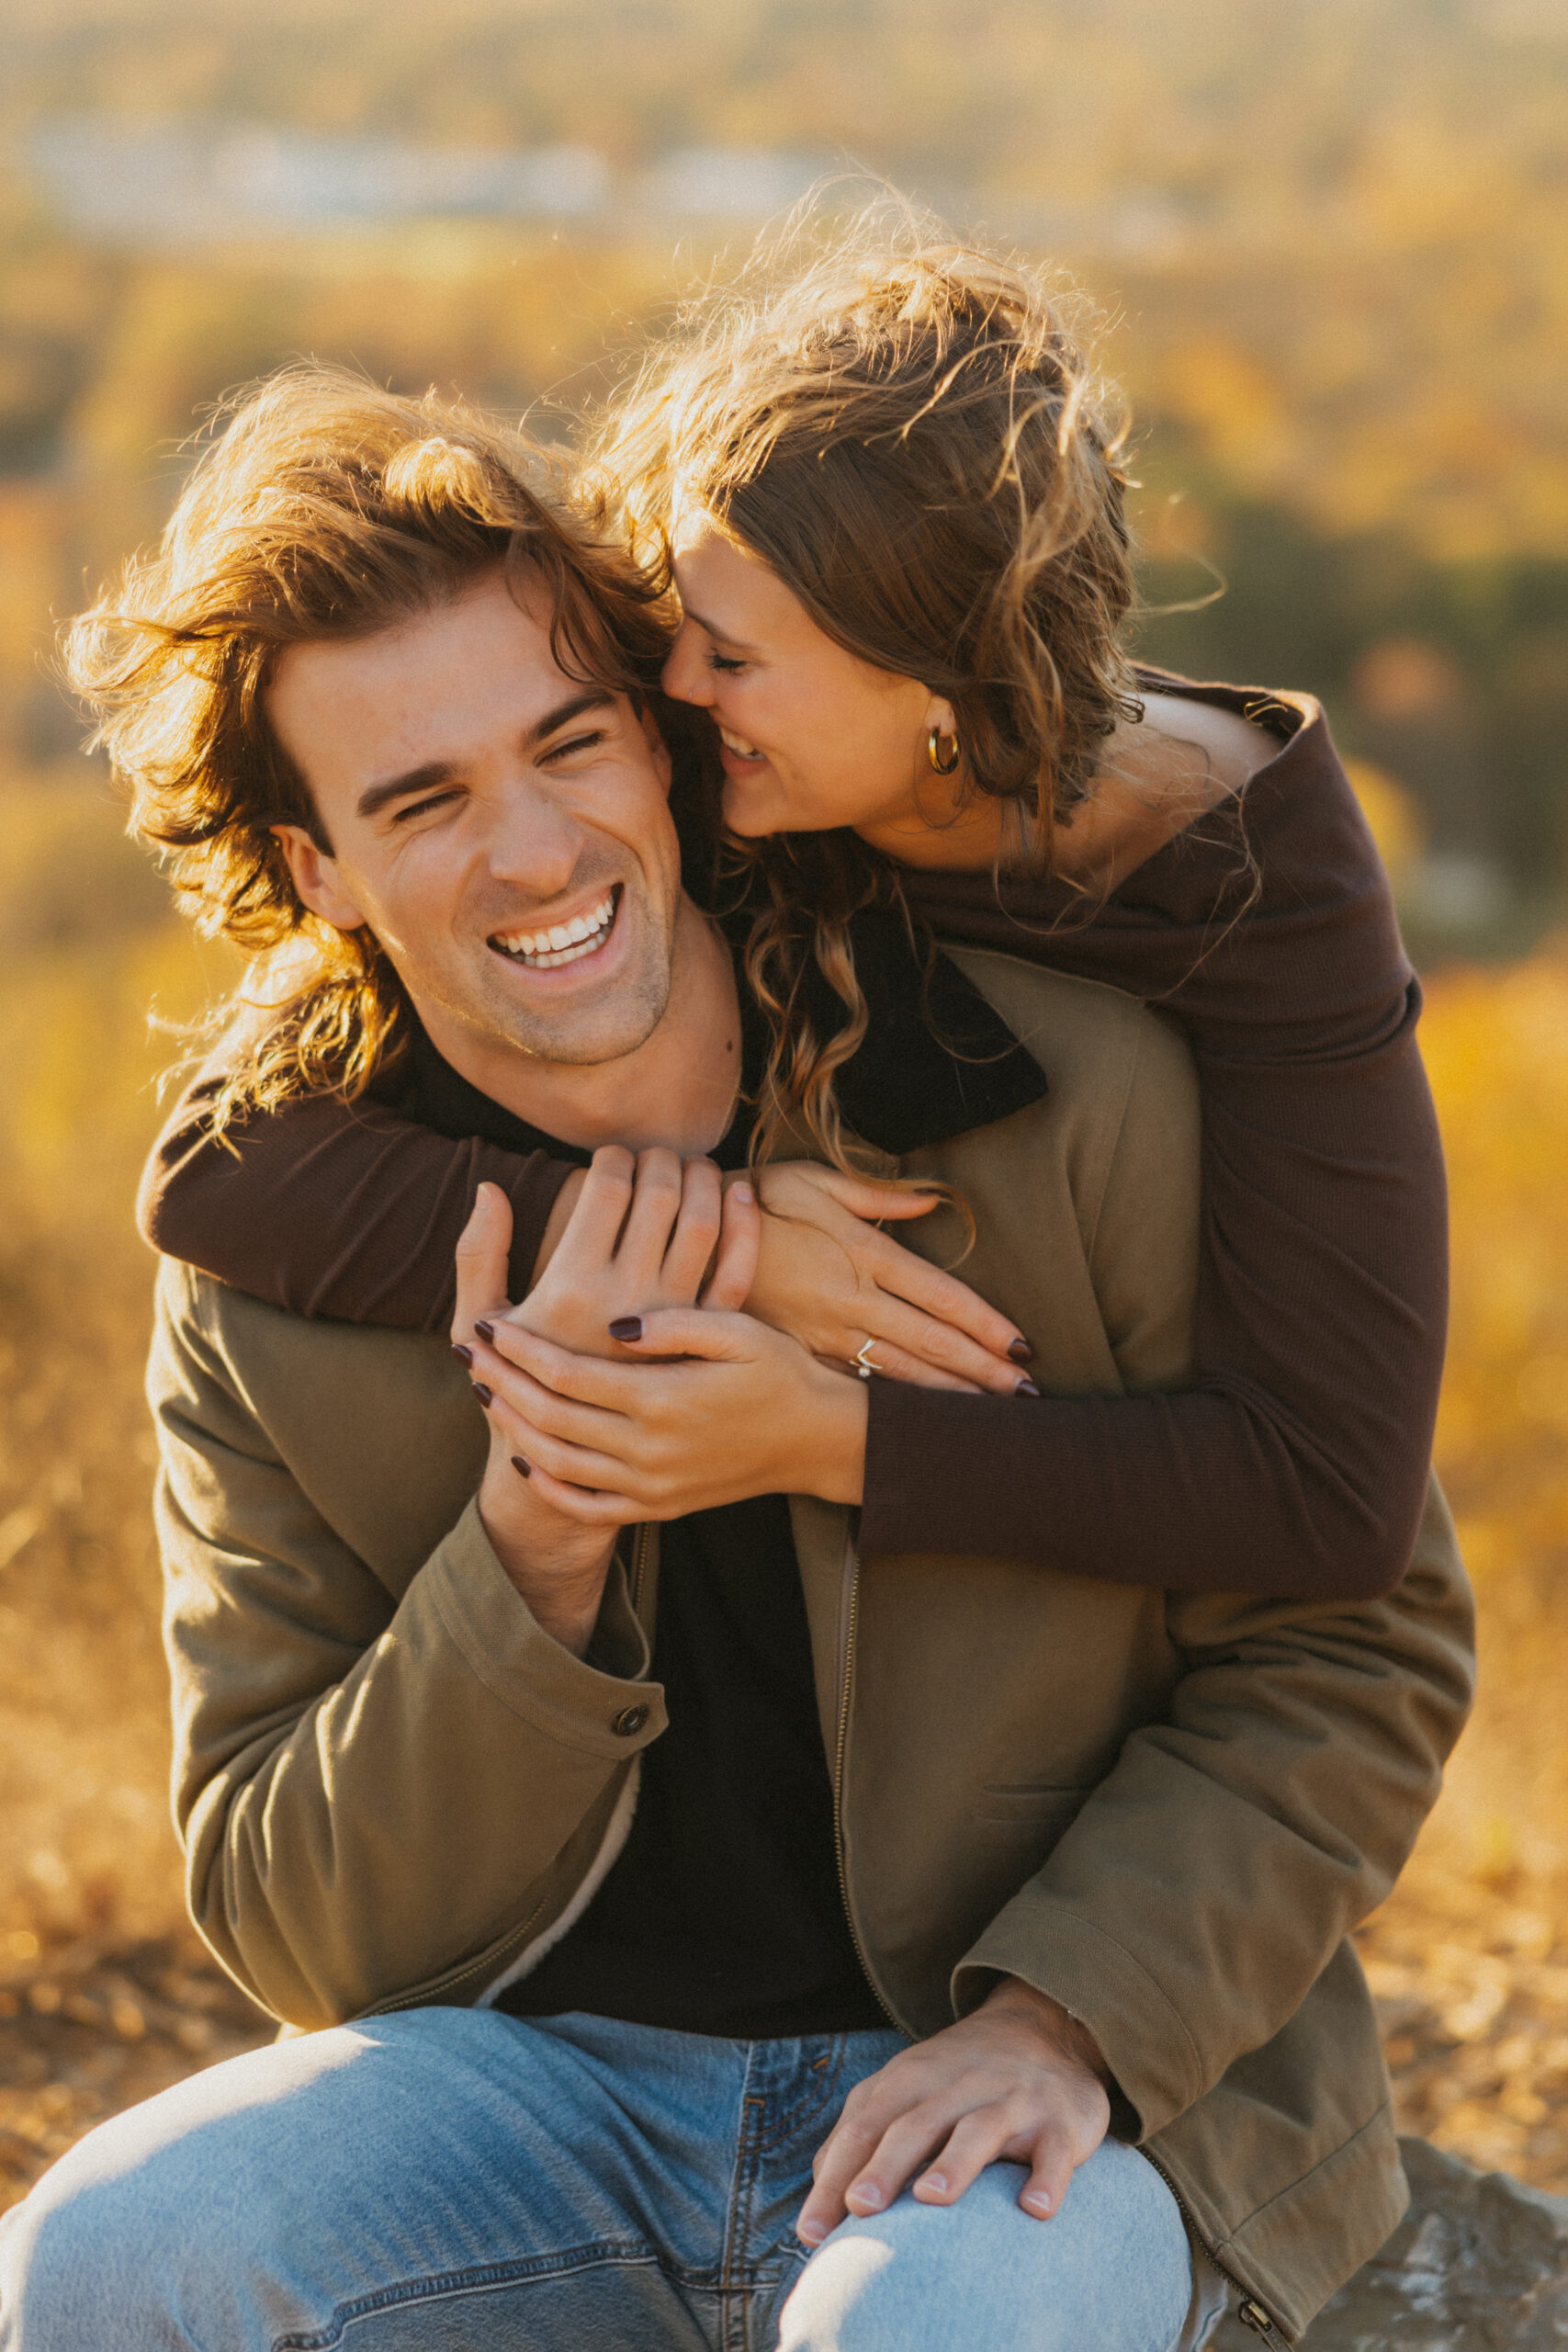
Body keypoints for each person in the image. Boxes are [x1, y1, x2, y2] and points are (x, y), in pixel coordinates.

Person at [0, 364, 1473, 2352]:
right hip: (543, 2102)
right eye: (419, 799)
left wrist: (1067, 2016)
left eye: (567, 742)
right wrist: (532, 1543)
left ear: (665, 738)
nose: (530, 851)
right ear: (313, 874)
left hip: (1028, 2079)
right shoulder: (272, 1263)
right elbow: (288, 1915)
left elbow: (1349, 1640)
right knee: (96, 2259)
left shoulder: (1064, 1091)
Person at [141, 214, 1448, 1604]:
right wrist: (726, 1248)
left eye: (734, 659)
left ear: (935, 690)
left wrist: (836, 1437)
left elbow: (1334, 1498)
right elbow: (220, 1169)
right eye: (678, 632)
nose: (672, 693)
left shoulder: (1259, 900)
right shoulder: (698, 756)